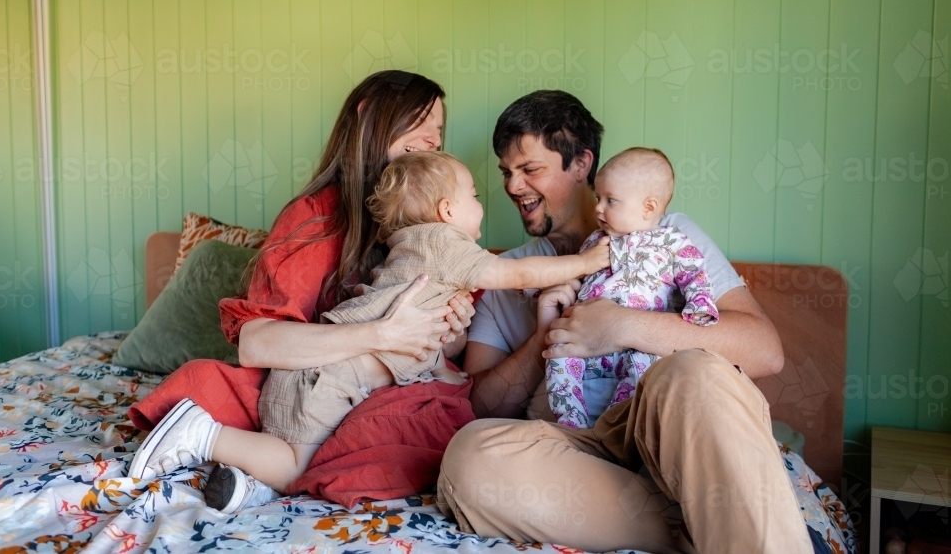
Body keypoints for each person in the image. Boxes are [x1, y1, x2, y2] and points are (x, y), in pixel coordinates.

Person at [437, 90, 815, 554]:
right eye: (505, 173)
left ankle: (725, 518)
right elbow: (479, 407)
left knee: (693, 372)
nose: (513, 186)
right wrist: (544, 338)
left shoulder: (669, 236)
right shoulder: (509, 273)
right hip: (579, 452)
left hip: (666, 433)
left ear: (581, 164)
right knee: (470, 456)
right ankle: (711, 523)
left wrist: (621, 326)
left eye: (529, 169)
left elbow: (764, 350)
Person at [155, 151, 611, 512]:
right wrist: (589, 262)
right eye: (474, 195)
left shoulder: (406, 249)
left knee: (309, 458)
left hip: (313, 375)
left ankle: (250, 487)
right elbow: (517, 273)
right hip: (327, 380)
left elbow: (431, 355)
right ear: (447, 209)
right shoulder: (446, 243)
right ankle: (202, 435)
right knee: (298, 462)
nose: (481, 205)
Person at [127, 70, 478, 510]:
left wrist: (451, 327)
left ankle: (264, 478)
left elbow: (440, 349)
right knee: (213, 388)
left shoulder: (435, 230)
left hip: (375, 390)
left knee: (446, 421)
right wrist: (380, 334)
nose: (432, 139)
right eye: (420, 121)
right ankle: (282, 465)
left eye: (439, 131)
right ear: (369, 117)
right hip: (300, 390)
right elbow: (255, 344)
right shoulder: (315, 218)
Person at [544, 147, 719, 429]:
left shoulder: (671, 241)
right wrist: (537, 287)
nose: (598, 207)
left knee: (649, 365)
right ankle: (571, 421)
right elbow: (573, 273)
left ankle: (616, 424)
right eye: (598, 198)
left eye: (610, 200)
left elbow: (693, 272)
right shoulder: (595, 242)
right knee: (558, 354)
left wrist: (699, 304)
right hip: (585, 342)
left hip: (634, 344)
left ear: (648, 207)